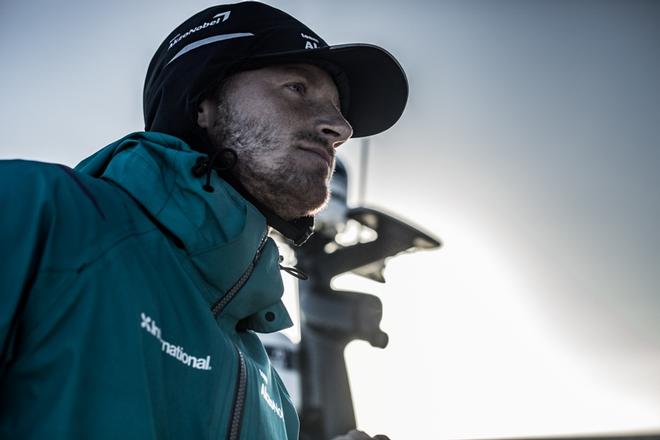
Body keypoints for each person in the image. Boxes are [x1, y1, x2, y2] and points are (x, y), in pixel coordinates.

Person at [0, 2, 406, 439]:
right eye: (297, 88)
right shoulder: (33, 212)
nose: (340, 126)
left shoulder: (271, 391)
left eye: (339, 110)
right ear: (202, 105)